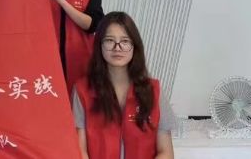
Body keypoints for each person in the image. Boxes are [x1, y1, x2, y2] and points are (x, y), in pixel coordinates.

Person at [72, 12, 175, 159]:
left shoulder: (153, 91)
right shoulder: (82, 91)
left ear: (135, 46)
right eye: (109, 40)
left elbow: (166, 152)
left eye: (125, 41)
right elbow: (79, 151)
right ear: (99, 45)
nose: (117, 48)